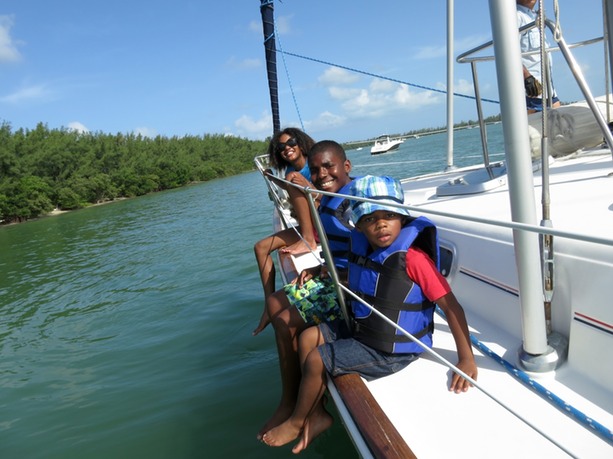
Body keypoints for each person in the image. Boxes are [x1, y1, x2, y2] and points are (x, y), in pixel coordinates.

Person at [261, 175, 478, 453]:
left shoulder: (413, 259)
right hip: (364, 329)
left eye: (389, 215)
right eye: (369, 219)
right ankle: (317, 414)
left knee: (316, 358)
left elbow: (451, 306)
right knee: (307, 338)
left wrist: (466, 358)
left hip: (391, 350)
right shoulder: (367, 251)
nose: (381, 224)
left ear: (401, 216)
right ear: (360, 226)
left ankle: (297, 420)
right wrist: (326, 270)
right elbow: (364, 280)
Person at [255, 140, 356, 439]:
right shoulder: (327, 198)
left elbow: (366, 256)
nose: (322, 174)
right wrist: (319, 268)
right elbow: (336, 250)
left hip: (350, 288)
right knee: (275, 304)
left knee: (285, 320)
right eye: (316, 170)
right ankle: (289, 398)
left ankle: (312, 409)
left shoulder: (355, 202)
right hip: (333, 276)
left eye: (328, 167)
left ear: (346, 167)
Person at [253, 128, 318, 333]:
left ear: (300, 142)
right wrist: (272, 179)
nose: (287, 149)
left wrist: (308, 185)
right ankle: (267, 307)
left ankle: (308, 239)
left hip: (322, 221)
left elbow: (331, 196)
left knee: (292, 179)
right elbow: (293, 189)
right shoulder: (291, 172)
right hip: (309, 223)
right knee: (260, 248)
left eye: (291, 143)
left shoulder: (316, 163)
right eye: (281, 147)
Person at [517, 0, 561, 114]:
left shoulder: (534, 16)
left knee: (561, 125)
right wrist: (527, 77)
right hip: (531, 92)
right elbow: (508, 53)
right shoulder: (516, 16)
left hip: (549, 91)